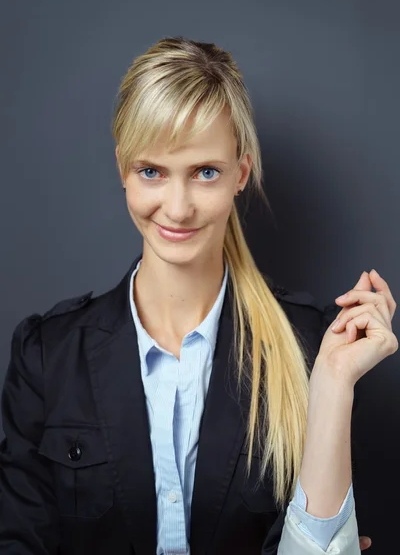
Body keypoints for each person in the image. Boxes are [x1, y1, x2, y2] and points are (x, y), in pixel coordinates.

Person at [1, 36, 394, 554]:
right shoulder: (47, 356)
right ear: (123, 169)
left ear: (241, 173)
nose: (178, 207)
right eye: (152, 172)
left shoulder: (312, 349)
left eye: (205, 172)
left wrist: (335, 383)